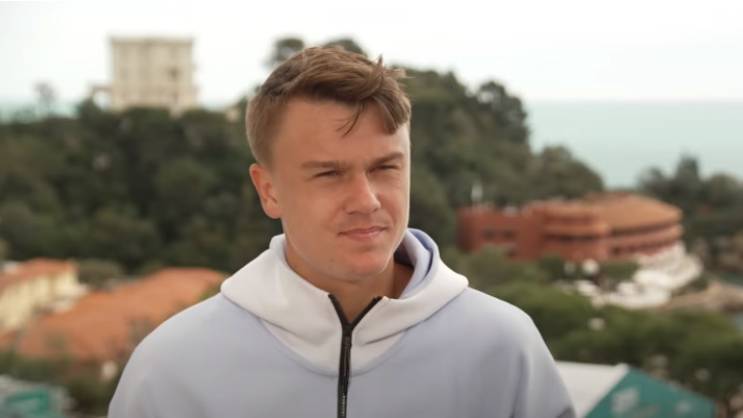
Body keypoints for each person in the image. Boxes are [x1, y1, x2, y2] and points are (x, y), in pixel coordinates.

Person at [108, 47, 575, 418]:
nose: (366, 200)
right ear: (268, 190)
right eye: (329, 174)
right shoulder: (171, 371)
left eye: (385, 167)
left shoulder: (504, 347)